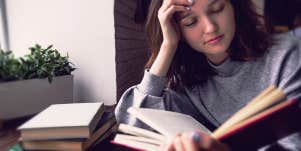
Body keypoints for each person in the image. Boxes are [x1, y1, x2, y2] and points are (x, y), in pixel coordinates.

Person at [115, 0, 301, 150]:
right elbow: (133, 126)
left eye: (217, 9)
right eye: (191, 22)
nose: (210, 27)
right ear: (177, 30)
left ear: (234, 7)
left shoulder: (286, 55)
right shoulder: (184, 81)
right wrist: (167, 46)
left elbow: (295, 142)